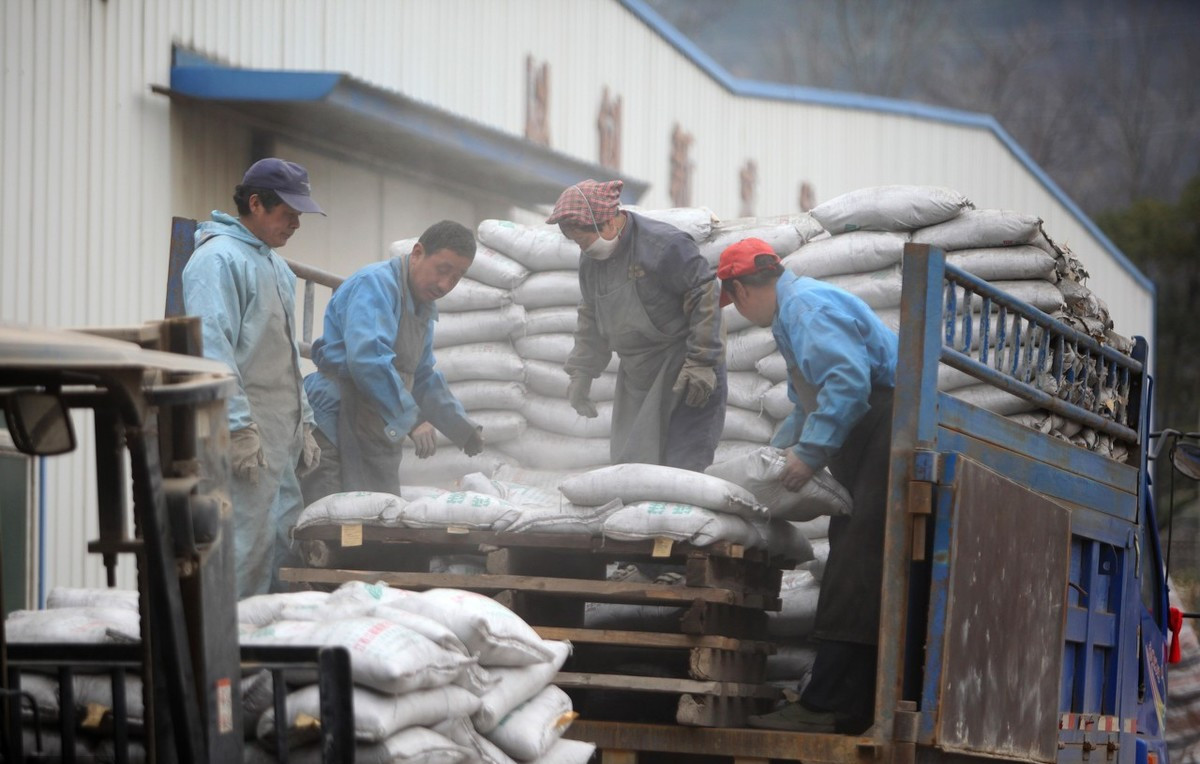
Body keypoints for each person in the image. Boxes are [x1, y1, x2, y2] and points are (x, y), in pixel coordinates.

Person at [717, 237, 897, 735]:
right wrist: (772, 459)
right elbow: (806, 404)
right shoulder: (791, 313)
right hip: (872, 432)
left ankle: (828, 705)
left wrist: (808, 456)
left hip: (887, 428)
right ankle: (851, 703)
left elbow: (847, 384)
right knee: (854, 551)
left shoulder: (806, 308)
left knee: (858, 558)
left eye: (730, 299)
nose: (734, 308)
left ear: (739, 289)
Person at [182, 157, 324, 598]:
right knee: (241, 550)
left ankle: (269, 649)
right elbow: (212, 348)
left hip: (278, 442)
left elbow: (283, 356)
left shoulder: (276, 267)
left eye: (300, 215)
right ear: (257, 204)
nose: (296, 224)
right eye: (289, 213)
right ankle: (230, 658)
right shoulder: (217, 260)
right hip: (242, 440)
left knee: (282, 542)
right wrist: (238, 426)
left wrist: (305, 423)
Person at [548, 179, 726, 471]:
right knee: (631, 466)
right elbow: (592, 314)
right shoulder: (591, 262)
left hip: (685, 369)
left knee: (682, 465)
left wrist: (702, 362)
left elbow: (704, 293)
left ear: (606, 223)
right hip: (637, 375)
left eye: (583, 240)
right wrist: (582, 372)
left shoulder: (663, 246)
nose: (583, 249)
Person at [301, 220, 484, 502]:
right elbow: (367, 359)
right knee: (331, 522)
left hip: (375, 424)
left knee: (376, 521)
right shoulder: (375, 285)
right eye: (442, 270)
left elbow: (421, 375)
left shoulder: (422, 308)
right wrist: (411, 420)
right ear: (418, 252)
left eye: (457, 277)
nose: (445, 285)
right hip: (337, 417)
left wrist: (461, 428)